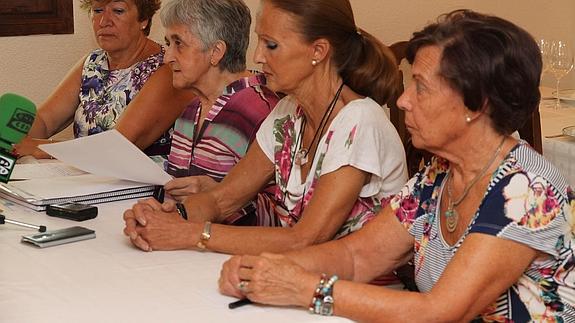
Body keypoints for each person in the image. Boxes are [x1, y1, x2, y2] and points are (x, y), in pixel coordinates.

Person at [218, 10, 575, 321]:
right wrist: (269, 268)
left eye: (420, 87)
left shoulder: (527, 190)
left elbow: (441, 311)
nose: (403, 101)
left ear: (475, 104)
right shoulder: (439, 174)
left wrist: (303, 288)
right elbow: (357, 256)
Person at [122, 0, 407, 261]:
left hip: (353, 297)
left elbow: (305, 239)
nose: (257, 56)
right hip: (293, 279)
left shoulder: (358, 121)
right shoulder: (286, 115)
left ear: (318, 51)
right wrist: (169, 216)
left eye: (270, 45)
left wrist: (188, 233)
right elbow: (222, 199)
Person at [13, 0, 193, 158]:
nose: (104, 21)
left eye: (118, 11)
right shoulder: (92, 62)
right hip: (86, 180)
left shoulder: (169, 69)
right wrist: (10, 134)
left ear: (143, 19)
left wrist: (39, 148)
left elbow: (117, 147)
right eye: (98, 10)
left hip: (141, 189)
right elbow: (44, 121)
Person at [159, 0, 279, 225]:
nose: (167, 57)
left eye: (179, 43)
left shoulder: (260, 110)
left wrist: (217, 200)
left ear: (216, 52)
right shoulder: (190, 111)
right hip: (183, 248)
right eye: (168, 43)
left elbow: (283, 220)